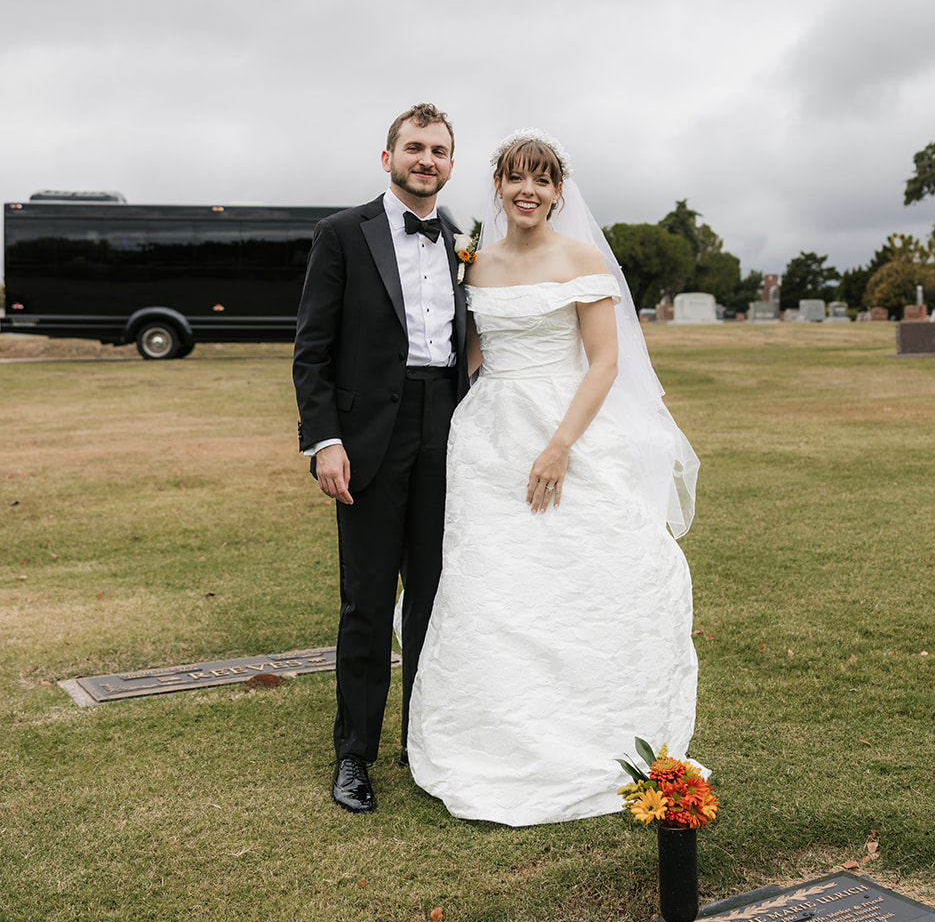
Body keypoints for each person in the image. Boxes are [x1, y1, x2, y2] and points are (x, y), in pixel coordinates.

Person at [407, 132, 700, 826]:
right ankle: (495, 732)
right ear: (498, 187)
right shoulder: (475, 263)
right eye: (515, 179)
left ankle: (592, 725)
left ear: (558, 191)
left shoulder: (580, 258)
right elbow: (469, 356)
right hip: (487, 438)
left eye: (541, 180)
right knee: (490, 582)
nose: (528, 191)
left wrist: (559, 447)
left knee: (582, 578)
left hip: (565, 429)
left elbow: (603, 363)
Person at [292, 103, 469, 815]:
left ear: (451, 164)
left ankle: (422, 744)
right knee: (367, 601)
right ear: (388, 155)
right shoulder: (341, 234)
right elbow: (312, 350)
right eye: (415, 147)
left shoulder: (465, 238)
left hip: (447, 431)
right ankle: (353, 756)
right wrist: (324, 441)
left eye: (439, 150)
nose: (426, 160)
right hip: (368, 439)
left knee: (434, 598)